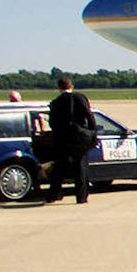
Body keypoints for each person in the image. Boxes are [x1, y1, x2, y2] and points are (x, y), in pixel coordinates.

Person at [45, 76, 96, 204]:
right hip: (79, 138)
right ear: (71, 86)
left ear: (59, 88)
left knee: (59, 167)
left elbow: (52, 123)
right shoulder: (80, 97)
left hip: (62, 139)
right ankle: (81, 196)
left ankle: (54, 194)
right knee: (80, 168)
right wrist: (92, 132)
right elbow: (89, 116)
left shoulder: (55, 102)